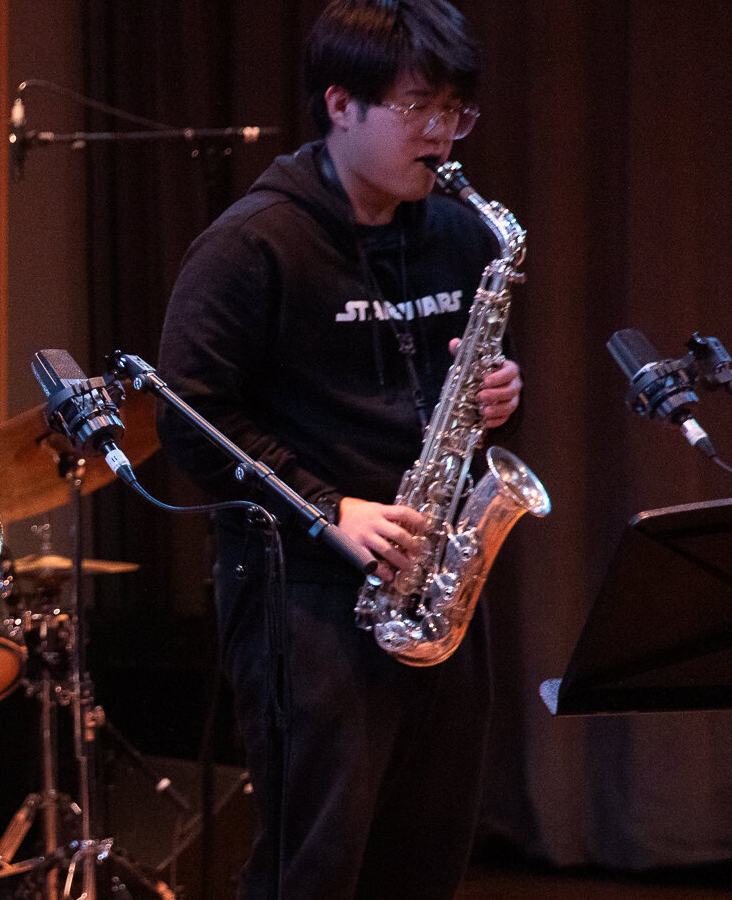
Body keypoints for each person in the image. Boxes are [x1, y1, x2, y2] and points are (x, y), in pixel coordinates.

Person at [154, 2, 524, 897]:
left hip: (434, 580)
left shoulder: (458, 231)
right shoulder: (253, 243)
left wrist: (494, 396)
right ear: (339, 104)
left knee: (426, 854)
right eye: (418, 108)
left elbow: (446, 382)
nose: (441, 134)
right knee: (313, 863)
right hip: (302, 591)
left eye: (456, 111)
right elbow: (188, 417)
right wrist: (329, 510)